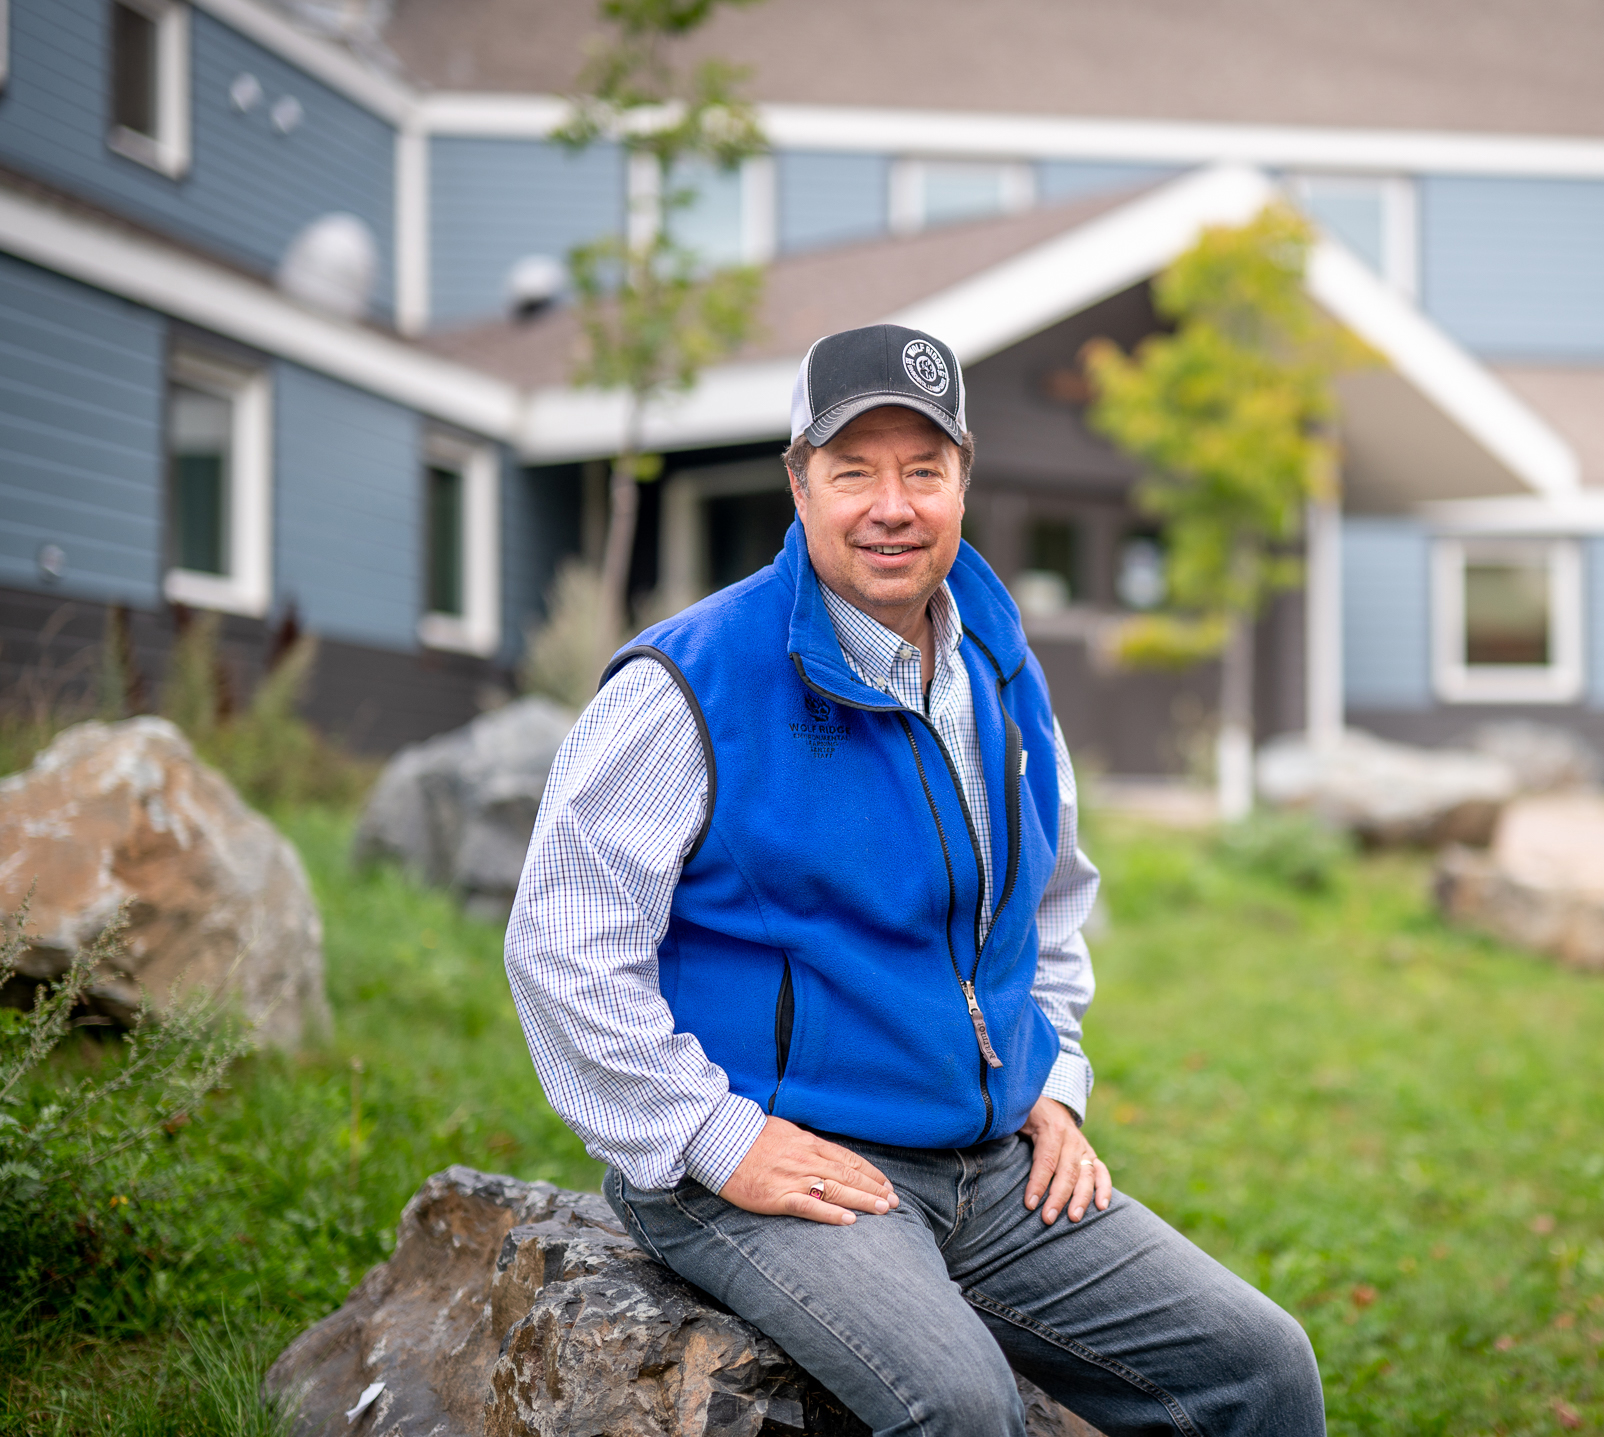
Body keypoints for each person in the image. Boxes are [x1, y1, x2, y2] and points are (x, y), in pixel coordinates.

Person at [505, 324, 1325, 1436]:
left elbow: (1050, 901)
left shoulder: (1000, 667)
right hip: (792, 1163)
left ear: (962, 483)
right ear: (799, 484)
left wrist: (1054, 1077)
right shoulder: (690, 683)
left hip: (990, 1165)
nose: (891, 505)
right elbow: (562, 945)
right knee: (962, 1409)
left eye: (922, 470)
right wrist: (715, 1138)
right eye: (853, 470)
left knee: (1262, 1368)